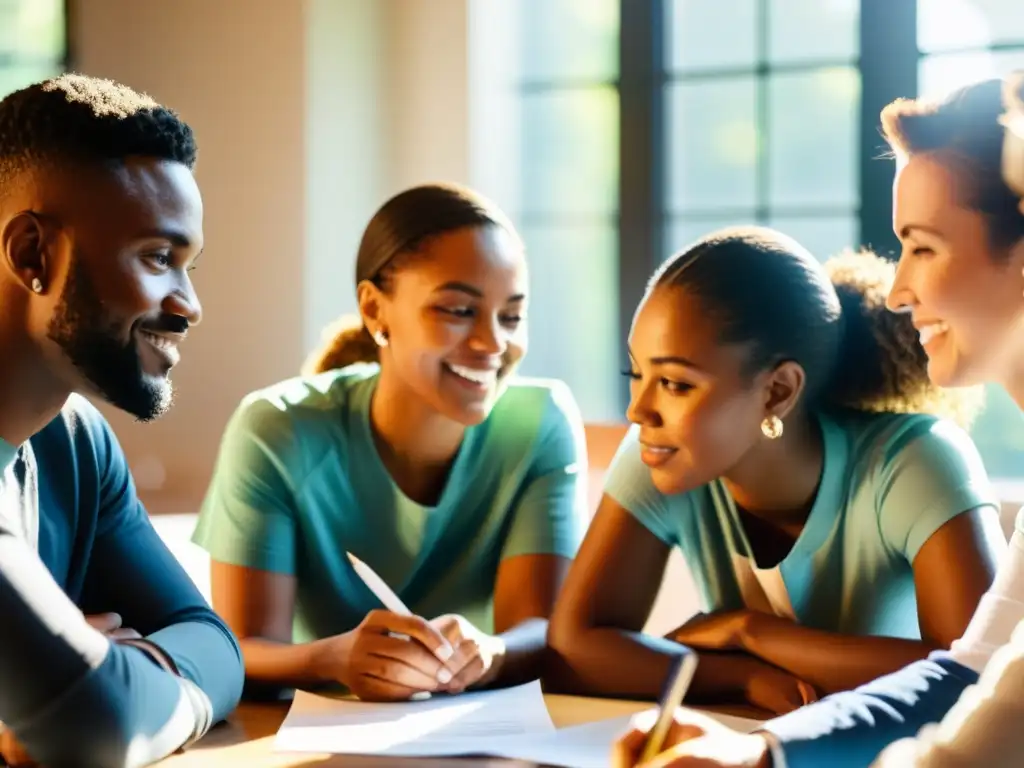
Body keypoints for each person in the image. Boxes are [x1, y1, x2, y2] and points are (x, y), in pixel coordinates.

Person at [611, 73, 1024, 768]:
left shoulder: (917, 459)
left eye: (923, 247)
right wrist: (761, 753)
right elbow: (974, 679)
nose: (897, 289)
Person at [547, 226, 1006, 717]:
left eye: (675, 384)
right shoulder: (661, 450)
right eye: (635, 374)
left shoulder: (916, 460)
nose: (639, 411)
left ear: (778, 392)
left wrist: (749, 631)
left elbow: (979, 672)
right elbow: (574, 648)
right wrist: (742, 674)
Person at [191, 183, 588, 702]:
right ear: (375, 310)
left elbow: (541, 628)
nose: (494, 343)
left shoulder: (540, 424)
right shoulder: (278, 429)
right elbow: (240, 646)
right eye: (458, 310)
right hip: (317, 732)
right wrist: (329, 658)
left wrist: (492, 653)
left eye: (511, 316)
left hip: (474, 733)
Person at [0, 74, 243, 768]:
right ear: (32, 255)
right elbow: (94, 725)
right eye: (159, 258)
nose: (189, 305)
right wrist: (99, 690)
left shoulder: (76, 445)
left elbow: (214, 644)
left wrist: (117, 673)